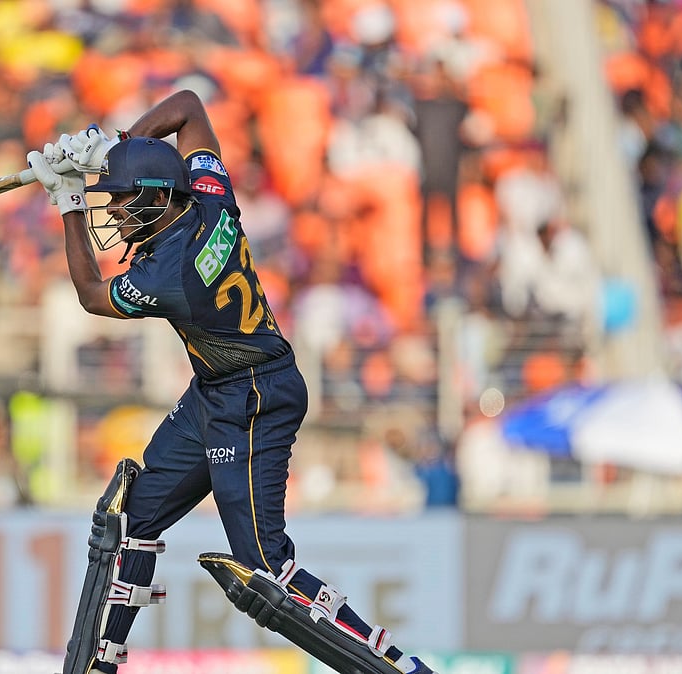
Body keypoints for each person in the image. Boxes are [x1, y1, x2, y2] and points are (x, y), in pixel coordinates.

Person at [26, 89, 436, 674]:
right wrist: (120, 147)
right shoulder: (212, 201)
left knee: (264, 570)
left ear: (155, 198)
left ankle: (400, 670)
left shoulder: (172, 276)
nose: (112, 214)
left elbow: (93, 296)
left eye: (118, 201)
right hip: (217, 388)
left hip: (253, 397)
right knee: (129, 518)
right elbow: (189, 107)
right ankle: (99, 663)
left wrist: (67, 199)